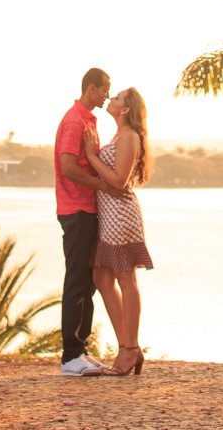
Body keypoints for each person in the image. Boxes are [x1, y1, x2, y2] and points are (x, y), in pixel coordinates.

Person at [81, 86, 153, 376]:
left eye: (117, 98)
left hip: (121, 215)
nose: (111, 99)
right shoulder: (118, 135)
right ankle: (128, 346)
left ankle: (129, 349)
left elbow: (119, 180)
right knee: (101, 276)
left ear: (125, 110)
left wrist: (90, 155)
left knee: (125, 277)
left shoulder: (129, 137)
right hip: (108, 214)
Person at [53, 66, 116, 377]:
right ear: (91, 89)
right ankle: (69, 358)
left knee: (87, 284)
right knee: (76, 282)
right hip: (75, 210)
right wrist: (102, 186)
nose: (107, 95)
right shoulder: (75, 121)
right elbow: (67, 167)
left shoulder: (88, 119)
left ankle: (80, 350)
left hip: (87, 211)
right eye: (105, 89)